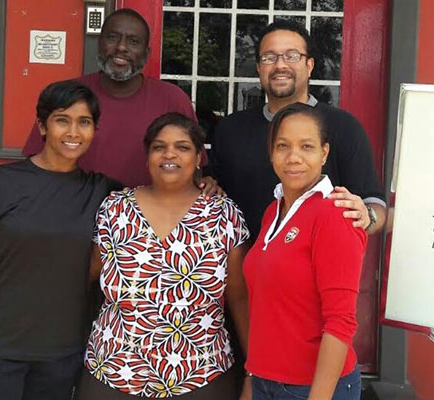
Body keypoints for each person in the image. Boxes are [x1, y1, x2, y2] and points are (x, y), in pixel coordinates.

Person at [0, 80, 120, 400]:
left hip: (62, 354)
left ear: (94, 130)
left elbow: (159, 201)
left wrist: (206, 183)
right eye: (61, 120)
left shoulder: (105, 192)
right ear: (42, 126)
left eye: (84, 122)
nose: (73, 132)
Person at [75, 113, 250, 400]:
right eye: (159, 147)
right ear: (147, 157)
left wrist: (252, 369)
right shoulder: (116, 209)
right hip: (113, 370)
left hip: (201, 374)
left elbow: (239, 297)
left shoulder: (223, 215)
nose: (169, 153)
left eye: (182, 147)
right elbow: (85, 276)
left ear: (197, 158)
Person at [209, 20, 386, 240]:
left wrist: (367, 216)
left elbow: (374, 204)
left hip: (316, 269)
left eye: (292, 56)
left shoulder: (344, 127)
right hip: (239, 266)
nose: (280, 65)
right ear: (258, 67)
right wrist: (205, 184)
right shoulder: (230, 129)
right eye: (269, 57)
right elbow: (212, 189)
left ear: (309, 65)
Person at [243, 103, 366, 400]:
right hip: (265, 381)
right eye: (283, 146)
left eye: (306, 146)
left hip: (313, 388)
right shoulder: (274, 210)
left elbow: (341, 322)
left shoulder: (333, 214)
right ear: (271, 152)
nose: (293, 157)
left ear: (324, 153)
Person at [22, 9, 197, 188]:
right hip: (73, 211)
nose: (121, 47)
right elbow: (35, 165)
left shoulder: (173, 99)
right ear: (100, 43)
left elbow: (195, 168)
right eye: (113, 38)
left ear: (146, 52)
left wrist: (206, 184)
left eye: (133, 41)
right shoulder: (67, 94)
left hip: (148, 213)